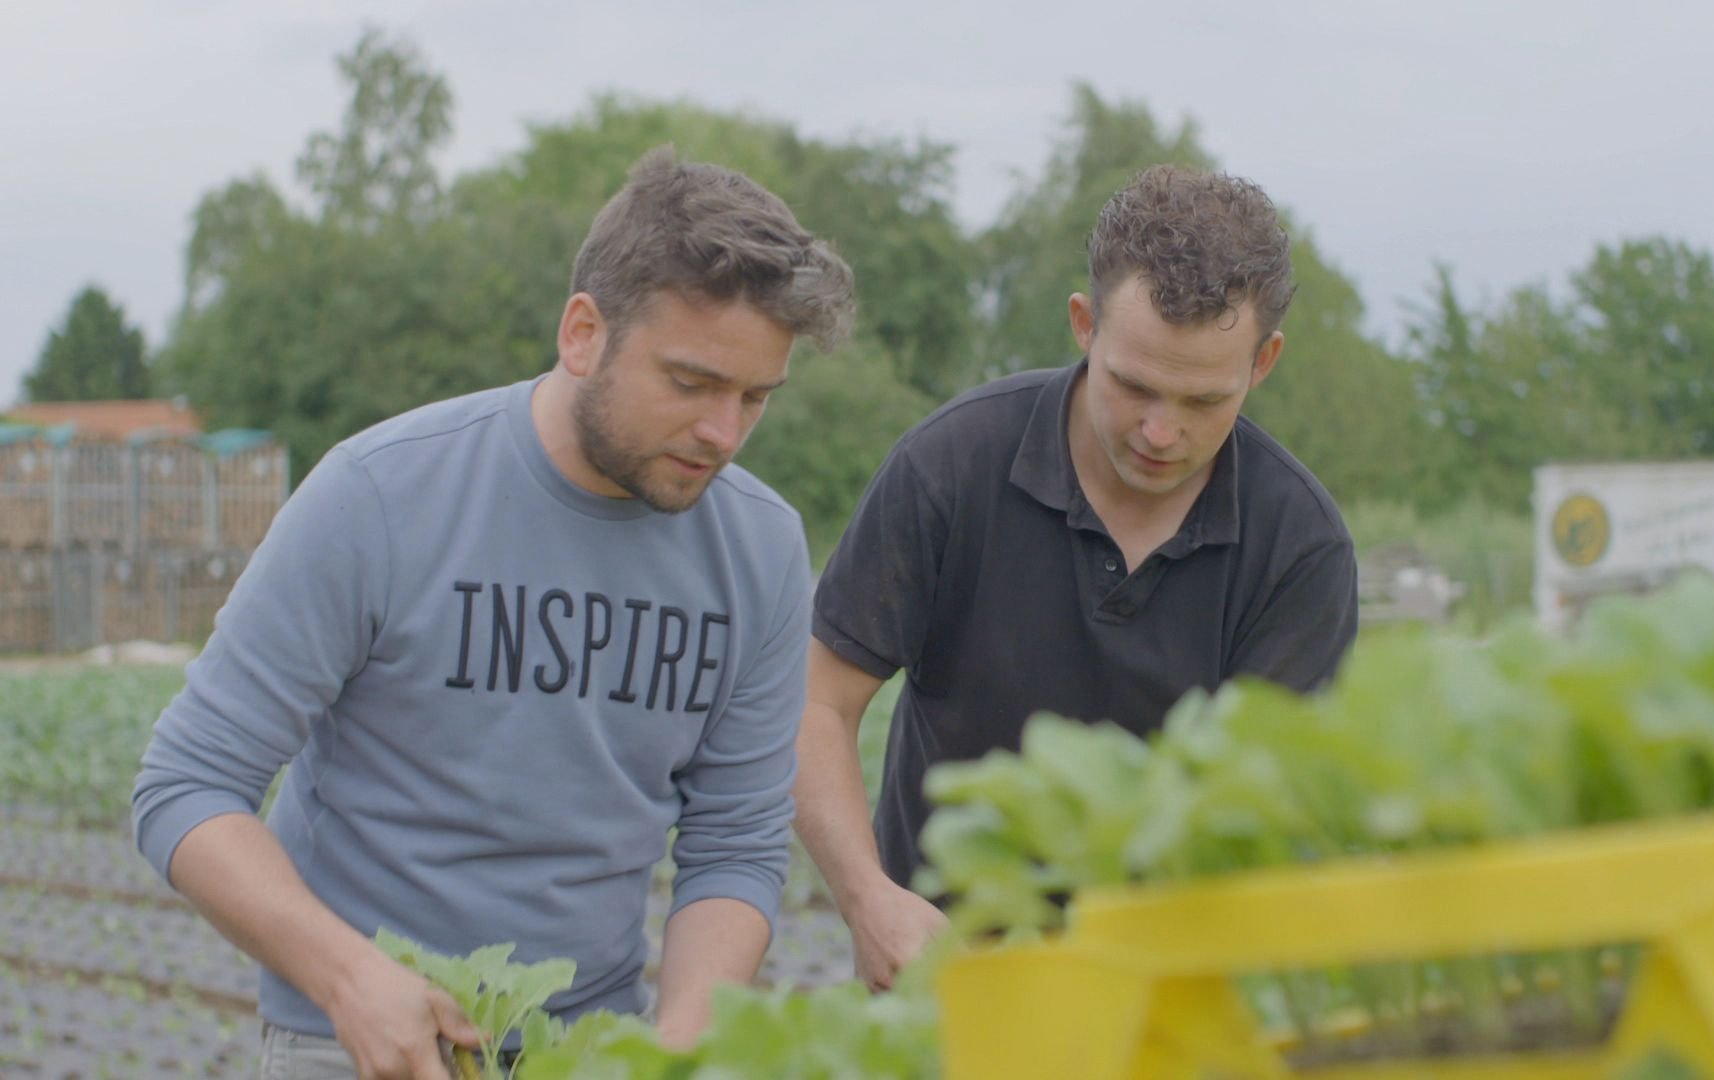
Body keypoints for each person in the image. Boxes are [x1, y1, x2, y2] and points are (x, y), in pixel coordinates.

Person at [130, 147, 855, 1079]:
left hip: (588, 1048)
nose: (723, 433)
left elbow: (736, 845)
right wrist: (351, 979)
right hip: (355, 1040)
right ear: (584, 332)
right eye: (690, 383)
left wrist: (677, 1046)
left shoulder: (759, 549)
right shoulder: (381, 495)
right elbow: (186, 786)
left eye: (754, 397)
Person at [794, 164, 1360, 991]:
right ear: (1083, 325)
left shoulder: (1298, 545)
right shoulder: (951, 467)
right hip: (940, 979)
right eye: (1133, 386)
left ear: (1263, 361)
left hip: (1166, 991)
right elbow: (817, 702)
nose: (1161, 432)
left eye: (1203, 401)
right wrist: (867, 897)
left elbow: (1273, 818)